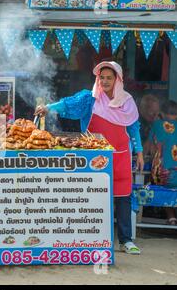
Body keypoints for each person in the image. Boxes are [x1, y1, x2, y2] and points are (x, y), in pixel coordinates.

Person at [35, 61, 144, 255]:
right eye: (101, 77)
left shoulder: (127, 102)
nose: (104, 81)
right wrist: (48, 107)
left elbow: (134, 128)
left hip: (121, 155)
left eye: (109, 78)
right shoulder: (90, 99)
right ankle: (96, 239)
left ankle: (126, 240)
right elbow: (68, 104)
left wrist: (140, 152)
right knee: (95, 198)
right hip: (95, 156)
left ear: (117, 79)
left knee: (123, 198)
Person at [147, 100, 177, 225]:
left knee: (163, 188)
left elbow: (149, 146)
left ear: (162, 113)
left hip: (161, 172)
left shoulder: (157, 124)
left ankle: (171, 218)